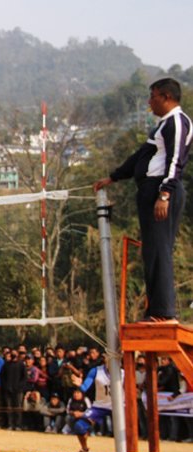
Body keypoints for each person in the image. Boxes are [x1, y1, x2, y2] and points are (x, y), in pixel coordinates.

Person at [93, 78, 191, 321]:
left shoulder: (178, 122)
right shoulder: (162, 125)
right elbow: (141, 156)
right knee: (151, 251)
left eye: (153, 97)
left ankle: (164, 312)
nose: (150, 102)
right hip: (149, 189)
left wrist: (165, 193)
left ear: (167, 97)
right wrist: (114, 177)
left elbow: (175, 161)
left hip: (162, 190)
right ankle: (155, 309)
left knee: (159, 249)